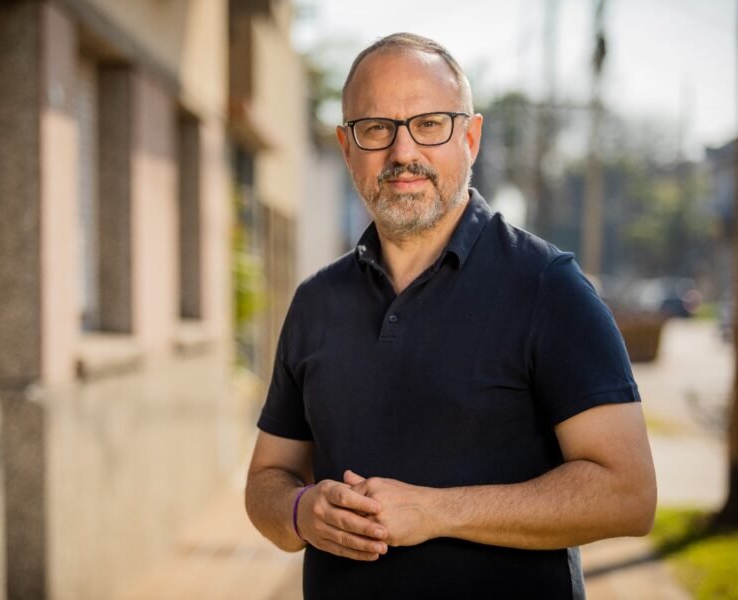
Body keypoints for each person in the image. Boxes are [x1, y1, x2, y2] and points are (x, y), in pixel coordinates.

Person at [244, 32, 656, 599]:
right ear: (346, 146)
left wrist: (437, 512)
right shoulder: (315, 302)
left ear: (471, 137)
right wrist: (299, 511)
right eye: (376, 128)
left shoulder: (547, 287)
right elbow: (265, 479)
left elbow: (629, 495)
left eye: (430, 124)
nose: (402, 152)